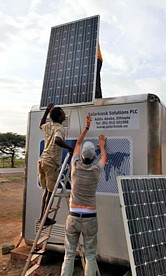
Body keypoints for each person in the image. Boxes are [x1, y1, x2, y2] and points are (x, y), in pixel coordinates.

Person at [60, 115, 107, 276]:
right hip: (90, 218)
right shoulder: (96, 170)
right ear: (94, 156)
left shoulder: (75, 165)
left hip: (73, 216)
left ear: (81, 156)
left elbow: (78, 143)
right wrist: (102, 145)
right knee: (90, 255)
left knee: (69, 254)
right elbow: (104, 159)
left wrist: (87, 127)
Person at [38, 103, 74, 226]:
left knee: (46, 191)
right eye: (63, 113)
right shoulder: (59, 128)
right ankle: (44, 218)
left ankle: (42, 216)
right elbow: (58, 140)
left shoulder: (48, 126)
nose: (64, 115)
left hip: (42, 161)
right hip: (50, 162)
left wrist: (47, 111)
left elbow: (40, 124)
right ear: (59, 117)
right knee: (50, 192)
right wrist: (70, 148)